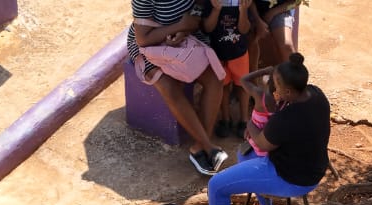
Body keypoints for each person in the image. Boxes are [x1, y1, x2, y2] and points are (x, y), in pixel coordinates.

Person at [203, 53, 330, 205]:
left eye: (277, 87)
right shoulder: (317, 95)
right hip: (313, 168)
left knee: (216, 185)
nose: (274, 90)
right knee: (246, 156)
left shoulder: (286, 119)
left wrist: (249, 124)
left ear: (288, 91)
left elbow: (262, 142)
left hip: (292, 179)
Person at [127, 0, 230, 175]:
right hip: (152, 45)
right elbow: (143, 39)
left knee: (214, 78)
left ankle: (200, 146)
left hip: (188, 36)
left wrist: (186, 28)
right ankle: (209, 147)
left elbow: (198, 5)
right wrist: (179, 26)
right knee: (169, 86)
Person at [199, 0, 254, 139]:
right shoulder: (211, 3)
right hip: (218, 54)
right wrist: (216, 10)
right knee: (222, 86)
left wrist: (243, 11)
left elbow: (244, 29)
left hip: (239, 53)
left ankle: (244, 120)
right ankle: (225, 119)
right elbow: (207, 28)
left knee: (242, 86)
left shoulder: (242, 2)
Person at [251, 0, 300, 67]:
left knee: (287, 45)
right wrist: (258, 21)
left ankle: (293, 74)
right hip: (253, 11)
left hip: (280, 10)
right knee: (251, 41)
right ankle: (253, 75)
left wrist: (272, 13)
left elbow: (296, 2)